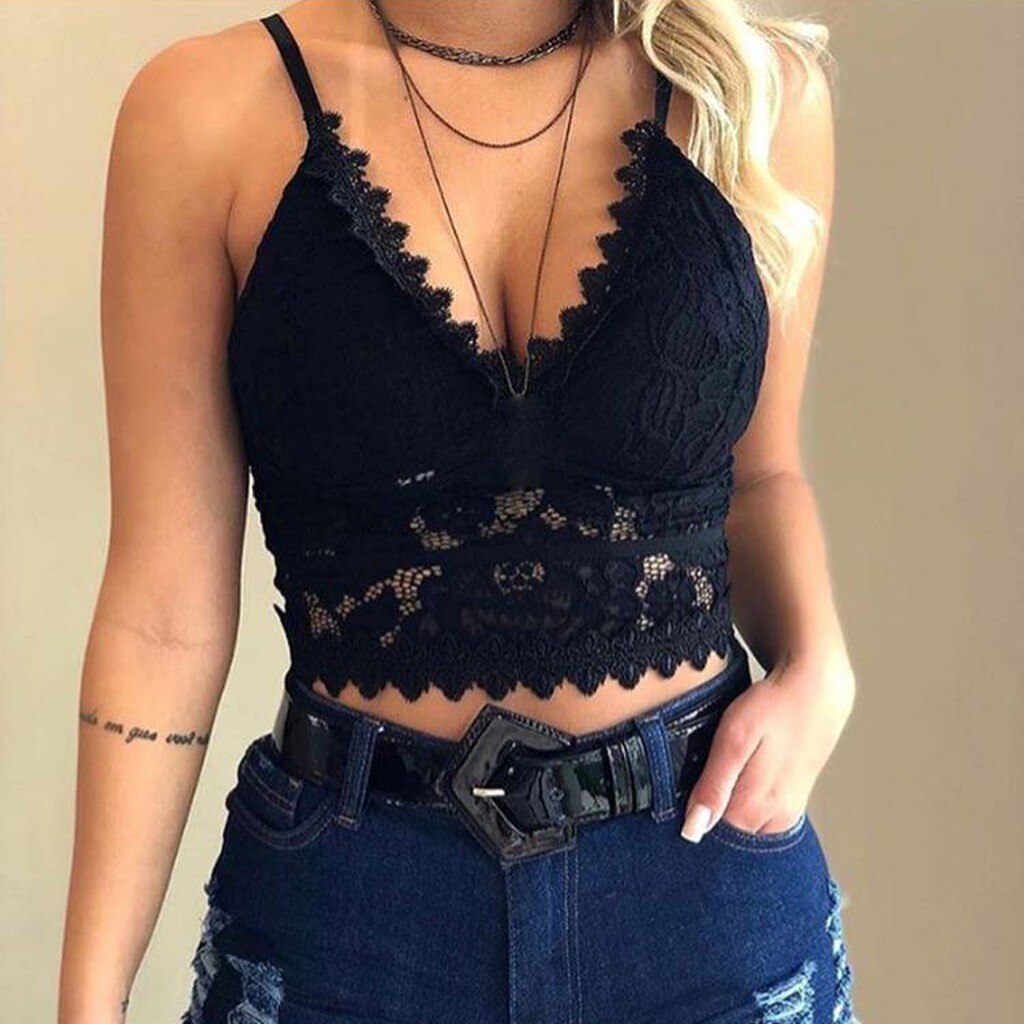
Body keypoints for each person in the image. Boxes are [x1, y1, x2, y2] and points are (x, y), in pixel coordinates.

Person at [58, 2, 856, 1022]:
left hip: (703, 898)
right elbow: (161, 615)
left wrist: (818, 662)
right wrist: (88, 1001)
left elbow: (760, 474)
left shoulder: (748, 91)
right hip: (349, 917)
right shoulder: (203, 113)